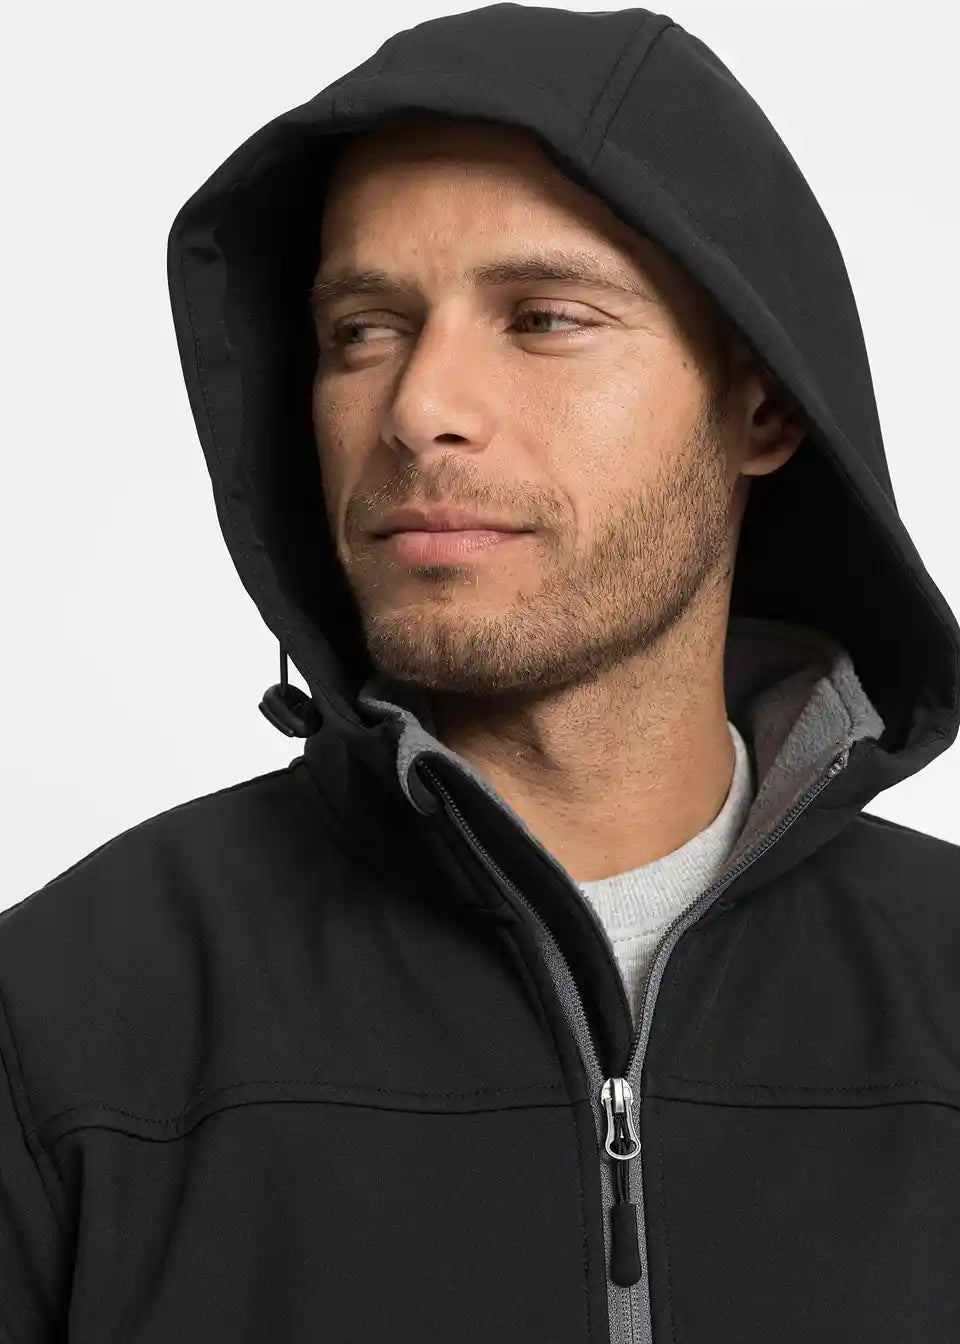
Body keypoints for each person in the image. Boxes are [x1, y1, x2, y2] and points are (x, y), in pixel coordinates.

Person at [3, 6, 959, 1341]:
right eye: (362, 330)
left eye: (545, 318)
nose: (417, 408)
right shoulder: (60, 1022)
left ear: (765, 401)